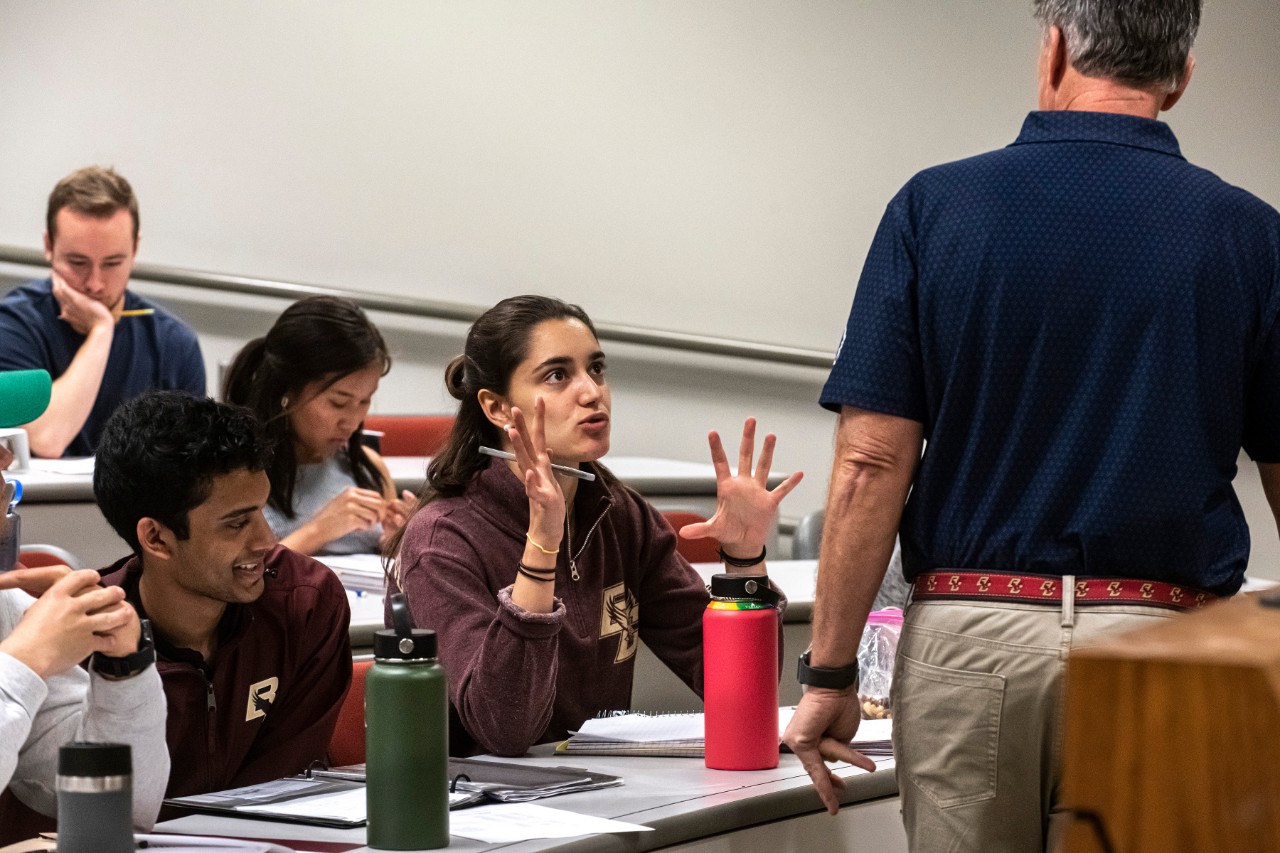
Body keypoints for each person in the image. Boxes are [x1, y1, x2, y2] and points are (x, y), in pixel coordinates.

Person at [783, 1, 1280, 850]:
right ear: (1181, 78)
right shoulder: (1251, 235)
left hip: (972, 647)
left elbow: (870, 459)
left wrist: (829, 671)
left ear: (1052, 49)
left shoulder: (933, 209)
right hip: (1171, 644)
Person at [385, 295, 802, 756]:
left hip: (595, 788)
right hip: (480, 805)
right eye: (558, 375)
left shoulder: (619, 514)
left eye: (597, 369)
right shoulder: (443, 538)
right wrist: (541, 544)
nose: (591, 391)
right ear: (497, 408)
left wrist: (745, 563)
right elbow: (506, 729)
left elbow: (738, 691)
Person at [93, 391, 352, 798]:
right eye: (236, 524)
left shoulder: (307, 602)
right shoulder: (84, 646)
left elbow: (285, 789)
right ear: (156, 538)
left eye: (262, 511)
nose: (268, 540)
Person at [0, 368, 168, 843]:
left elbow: (127, 804)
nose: (7, 458)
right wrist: (24, 662)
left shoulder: (6, 605)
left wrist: (124, 670)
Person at [0, 166, 206, 459]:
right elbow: (47, 439)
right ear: (48, 246)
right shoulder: (13, 325)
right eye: (77, 263)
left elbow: (189, 470)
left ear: (134, 249)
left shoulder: (175, 344)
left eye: (112, 263)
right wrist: (101, 330)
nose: (94, 284)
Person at [222, 296, 414, 556]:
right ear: (286, 391)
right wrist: (319, 530)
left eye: (365, 400)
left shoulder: (368, 468)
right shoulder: (235, 475)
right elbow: (232, 578)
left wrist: (399, 541)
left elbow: (397, 587)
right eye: (338, 403)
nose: (353, 419)